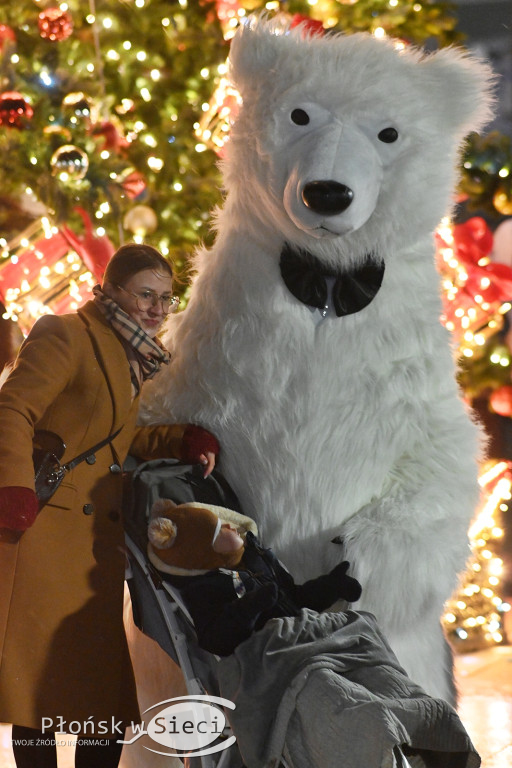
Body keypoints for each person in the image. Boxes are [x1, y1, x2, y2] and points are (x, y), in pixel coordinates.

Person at [0, 243, 220, 768]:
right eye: (145, 294)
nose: (156, 309)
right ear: (113, 288)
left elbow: (115, 441)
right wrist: (12, 487)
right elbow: (13, 406)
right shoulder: (66, 333)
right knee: (43, 695)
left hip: (94, 550)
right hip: (47, 536)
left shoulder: (132, 356)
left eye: (165, 299)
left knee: (97, 705)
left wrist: (180, 440)